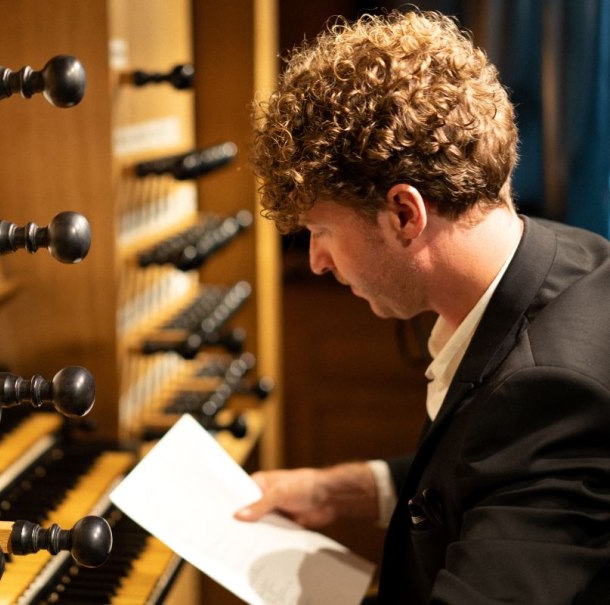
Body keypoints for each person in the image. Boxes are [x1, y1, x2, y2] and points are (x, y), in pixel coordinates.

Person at [235, 9, 610, 604]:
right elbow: (493, 467)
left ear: (405, 214)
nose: (316, 262)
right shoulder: (574, 253)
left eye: (320, 230)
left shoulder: (553, 393)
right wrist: (345, 489)